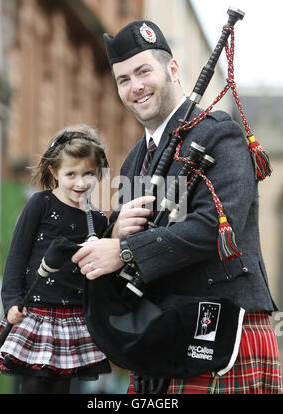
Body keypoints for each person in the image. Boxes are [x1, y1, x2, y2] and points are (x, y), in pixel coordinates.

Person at [72, 20, 283, 394]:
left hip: (225, 334)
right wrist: (117, 231)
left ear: (172, 70)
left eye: (143, 71)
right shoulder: (136, 159)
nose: (135, 87)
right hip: (163, 337)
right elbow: (135, 250)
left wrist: (122, 249)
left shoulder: (220, 134)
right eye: (123, 79)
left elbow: (217, 228)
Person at [0, 124, 111, 394]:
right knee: (34, 383)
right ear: (54, 171)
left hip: (73, 318)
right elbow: (16, 256)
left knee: (61, 386)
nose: (81, 182)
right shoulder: (40, 203)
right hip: (35, 313)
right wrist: (11, 301)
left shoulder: (97, 219)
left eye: (89, 174)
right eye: (71, 174)